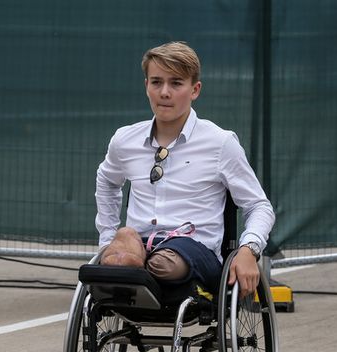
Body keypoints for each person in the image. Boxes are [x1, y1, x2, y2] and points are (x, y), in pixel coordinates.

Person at [95, 41, 274, 298]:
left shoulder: (220, 143)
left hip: (195, 250)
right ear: (146, 85)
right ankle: (126, 261)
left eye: (176, 83)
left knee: (164, 264)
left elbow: (260, 206)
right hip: (138, 244)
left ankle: (135, 268)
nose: (164, 92)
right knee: (123, 242)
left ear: (195, 89)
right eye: (156, 82)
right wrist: (107, 238)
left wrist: (249, 250)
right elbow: (106, 180)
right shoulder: (125, 140)